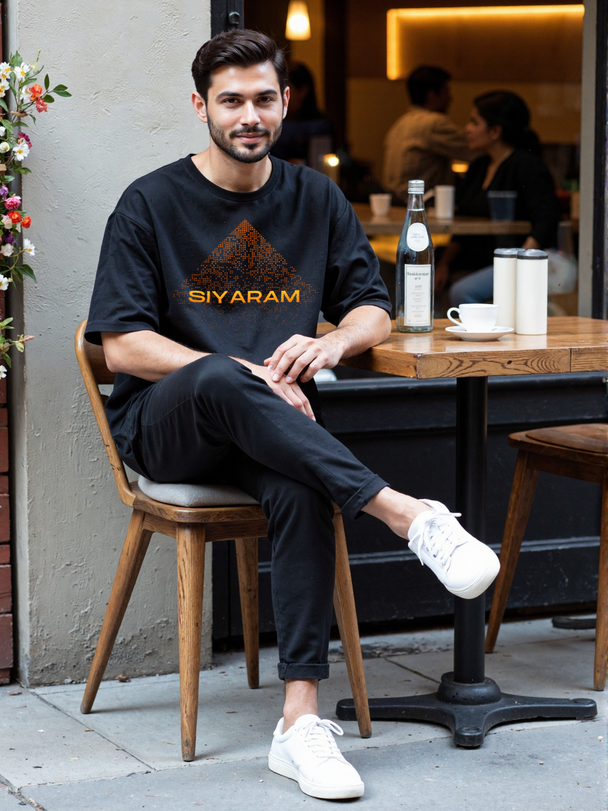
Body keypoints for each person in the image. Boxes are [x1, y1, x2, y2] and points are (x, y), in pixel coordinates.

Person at [86, 30, 499, 801]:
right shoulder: (151, 201)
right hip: (169, 427)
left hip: (273, 433)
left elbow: (374, 308)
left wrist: (333, 338)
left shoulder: (313, 197)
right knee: (219, 376)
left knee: (303, 481)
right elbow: (123, 346)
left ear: (285, 102)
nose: (250, 115)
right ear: (201, 106)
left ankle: (298, 724)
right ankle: (407, 515)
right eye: (232, 100)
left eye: (264, 99)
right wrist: (242, 368)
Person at [442, 91, 561, 305]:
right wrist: (443, 264)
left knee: (461, 292)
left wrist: (520, 262)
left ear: (495, 131)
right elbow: (462, 227)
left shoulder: (528, 166)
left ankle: (486, 336)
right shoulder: (478, 167)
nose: (466, 129)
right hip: (476, 259)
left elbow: (547, 218)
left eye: (474, 122)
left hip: (515, 259)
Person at [382, 65, 472, 200]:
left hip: (395, 201)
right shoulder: (434, 123)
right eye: (446, 92)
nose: (450, 98)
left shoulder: (400, 123)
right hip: (419, 204)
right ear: (432, 95)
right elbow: (474, 147)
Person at [271, 61, 333, 165]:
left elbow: (320, 166)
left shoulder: (320, 126)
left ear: (302, 91)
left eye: (285, 89)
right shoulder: (274, 120)